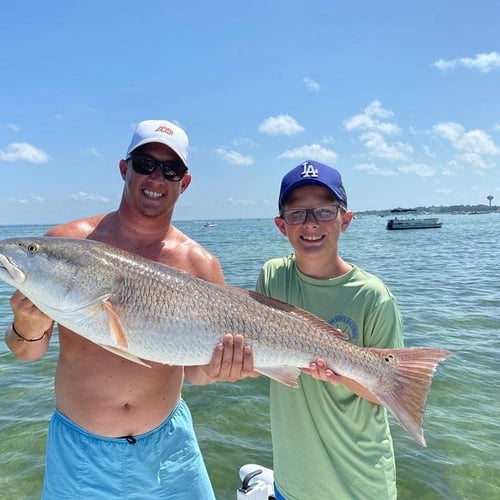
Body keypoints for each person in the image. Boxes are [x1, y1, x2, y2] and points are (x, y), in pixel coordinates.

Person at [5, 119, 254, 499]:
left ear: (184, 183)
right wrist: (25, 322)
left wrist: (225, 367)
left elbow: (197, 375)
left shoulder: (200, 264)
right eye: (145, 164)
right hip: (80, 453)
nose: (157, 178)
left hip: (170, 451)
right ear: (125, 168)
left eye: (171, 170)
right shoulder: (67, 242)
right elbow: (27, 352)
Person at [256, 160, 404, 499]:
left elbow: (390, 393)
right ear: (282, 225)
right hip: (291, 483)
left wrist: (340, 372)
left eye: (324, 211)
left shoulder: (373, 297)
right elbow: (266, 353)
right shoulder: (272, 277)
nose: (310, 224)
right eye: (297, 214)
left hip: (360, 484)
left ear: (345, 219)